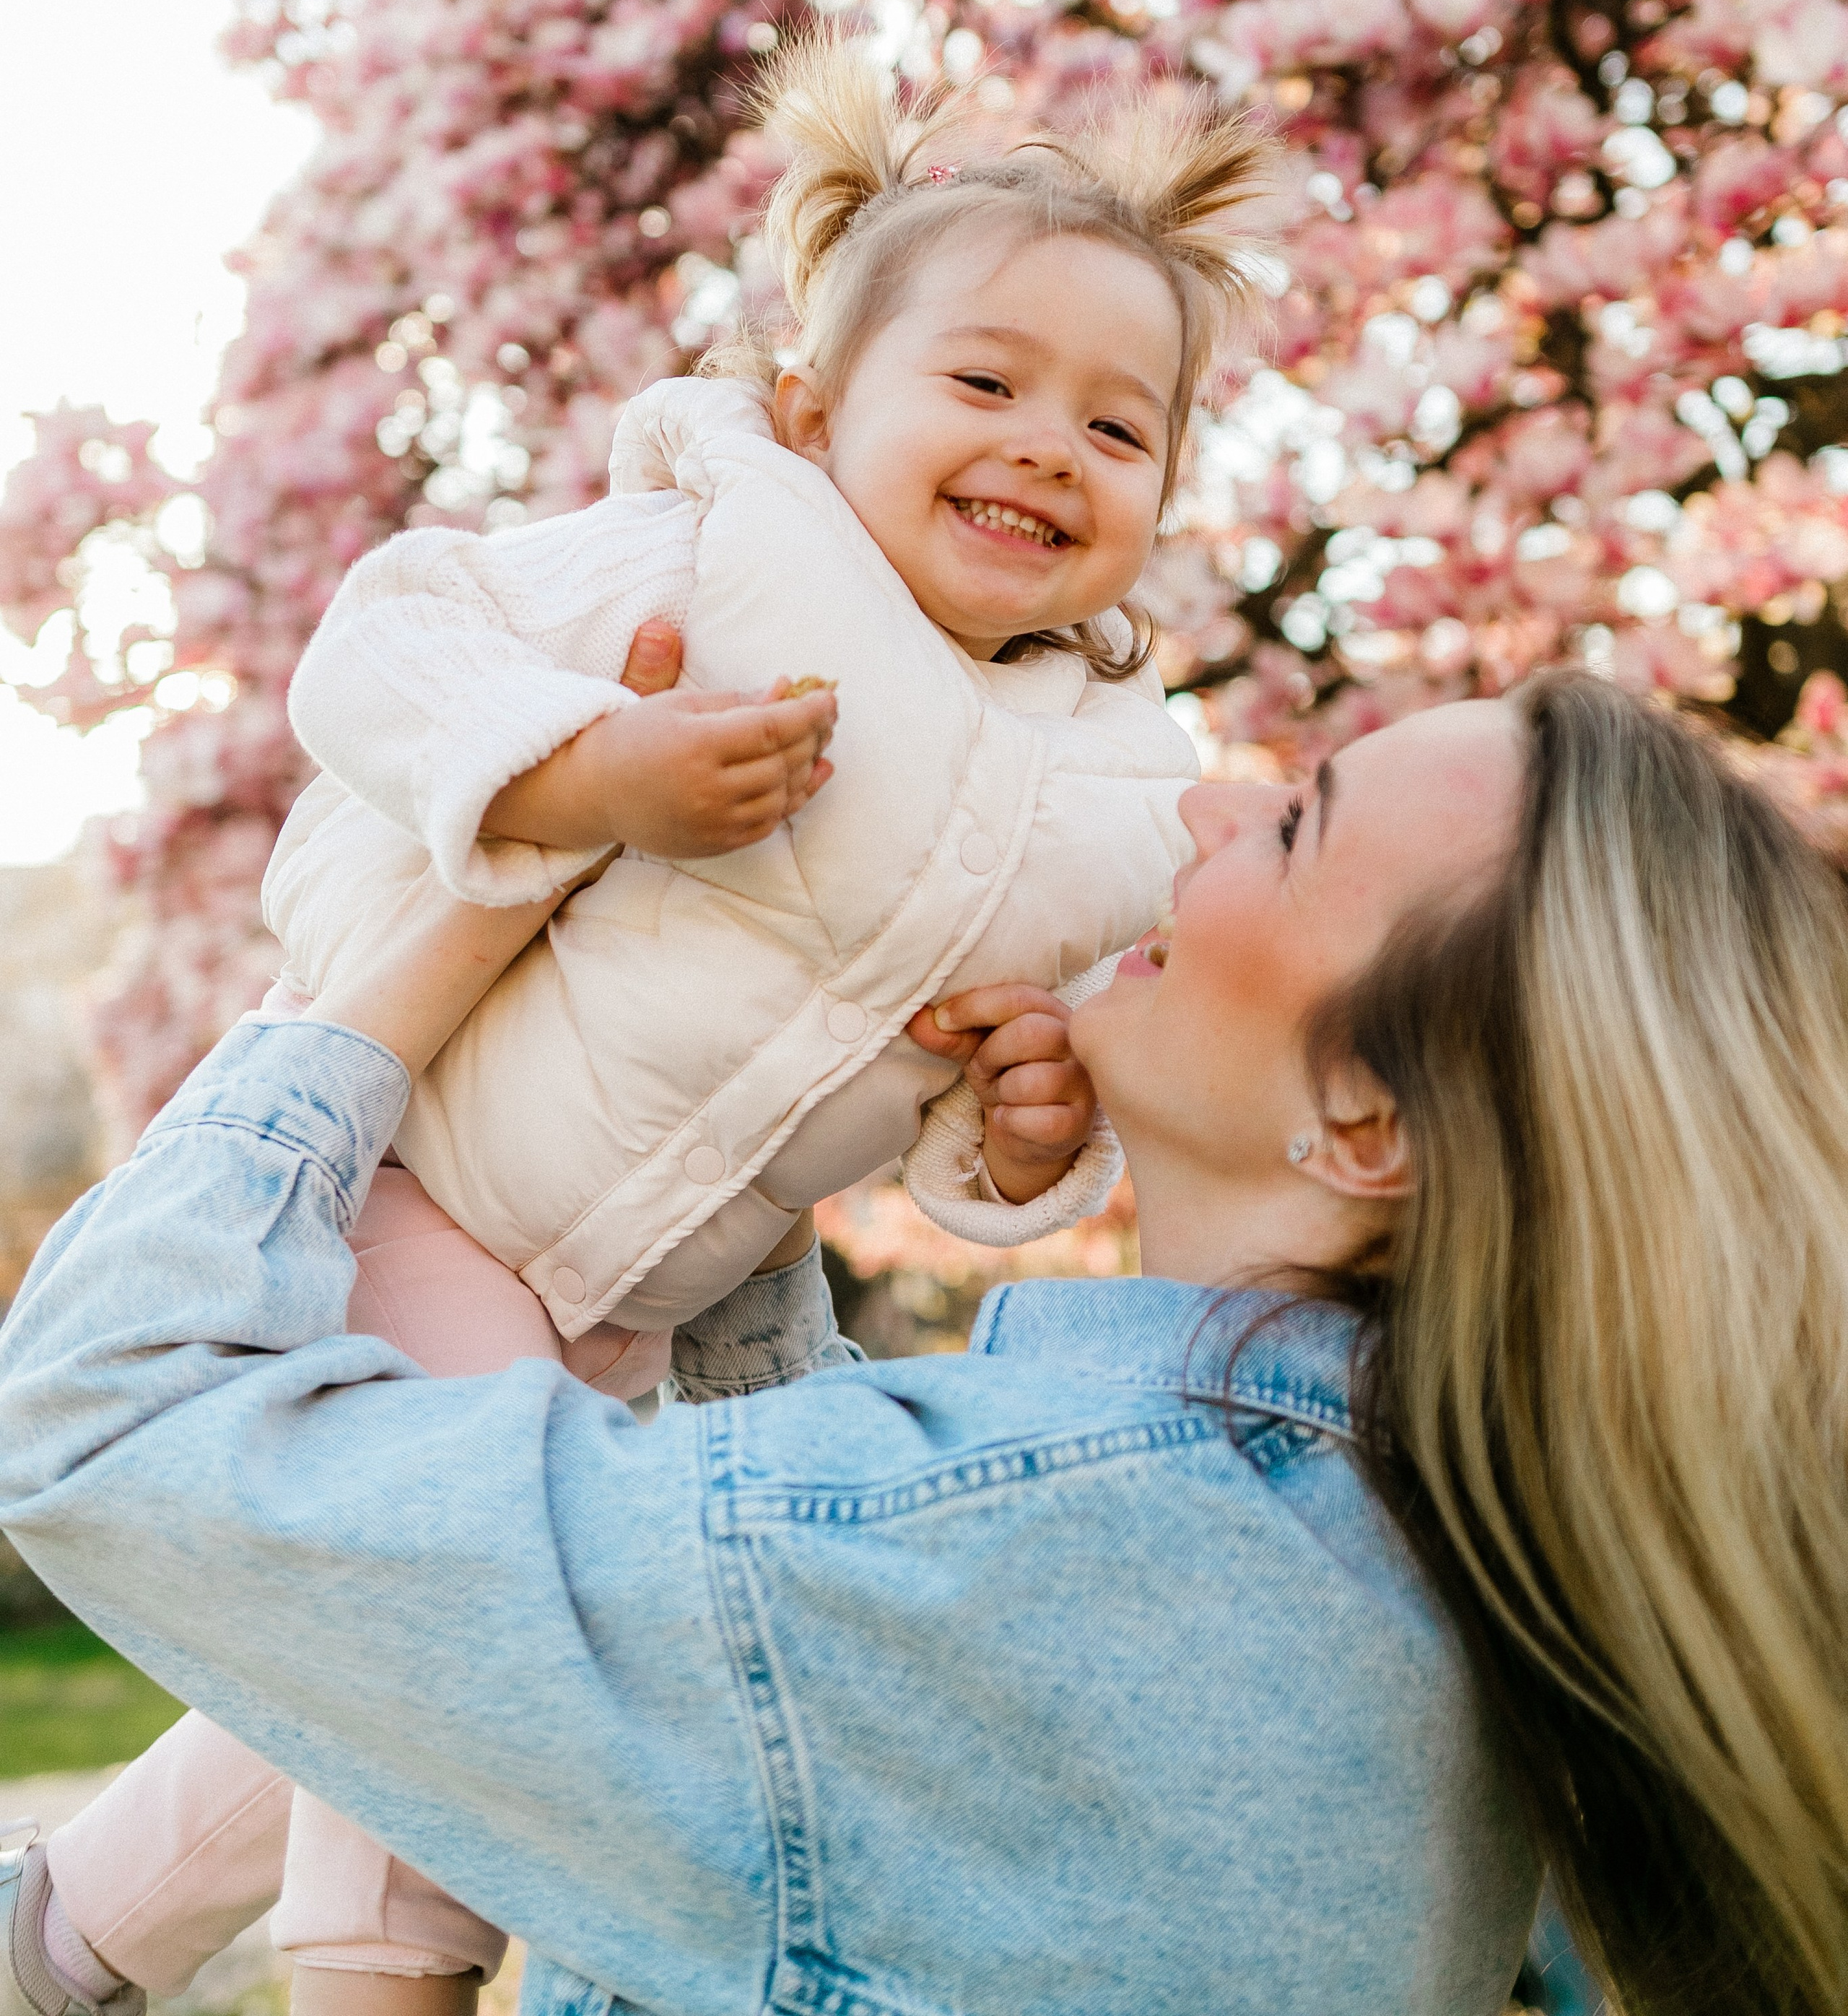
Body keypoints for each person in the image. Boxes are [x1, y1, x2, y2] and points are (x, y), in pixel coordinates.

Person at [1, 35, 1275, 2012]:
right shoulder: (716, 553)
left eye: (1122, 429)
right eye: (987, 382)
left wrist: (1019, 1131)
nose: (1048, 444)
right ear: (812, 402)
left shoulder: (1110, 779)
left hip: (633, 1299)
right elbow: (386, 641)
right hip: (434, 1186)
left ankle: (66, 1934)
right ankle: (380, 1975)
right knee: (461, 1587)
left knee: (405, 1630)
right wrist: (585, 770)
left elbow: (970, 1052)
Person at [6, 673, 1844, 2012]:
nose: (1205, 807)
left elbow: (107, 1419)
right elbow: (841, 1727)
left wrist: (407, 964)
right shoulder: (1400, 1575)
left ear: (1366, 1125)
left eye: (1291, 827)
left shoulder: (1063, 1561)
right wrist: (715, 1158)